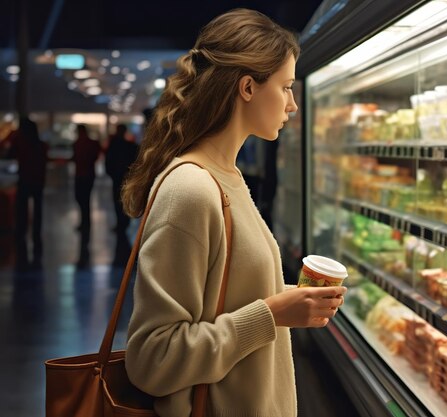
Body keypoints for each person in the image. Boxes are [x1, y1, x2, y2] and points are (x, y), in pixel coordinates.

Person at [121, 9, 346, 417]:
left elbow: (228, 303)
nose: (293, 105)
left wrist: (287, 304)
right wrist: (270, 315)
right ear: (247, 87)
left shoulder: (229, 177)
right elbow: (152, 358)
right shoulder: (190, 190)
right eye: (286, 87)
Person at [6, 117, 48, 270]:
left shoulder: (21, 143)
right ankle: (35, 235)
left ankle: (22, 233)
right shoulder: (40, 145)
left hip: (25, 180)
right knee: (37, 210)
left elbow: (8, 154)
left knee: (22, 210)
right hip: (37, 181)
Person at [71, 124, 101, 267]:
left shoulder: (78, 143)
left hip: (81, 174)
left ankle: (85, 223)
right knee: (85, 200)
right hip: (88, 174)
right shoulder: (91, 143)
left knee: (81, 199)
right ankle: (85, 222)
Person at [105, 124, 138, 234]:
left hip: (120, 177)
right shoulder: (128, 146)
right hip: (123, 177)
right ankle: (123, 223)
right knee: (122, 200)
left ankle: (122, 223)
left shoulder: (116, 145)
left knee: (120, 200)